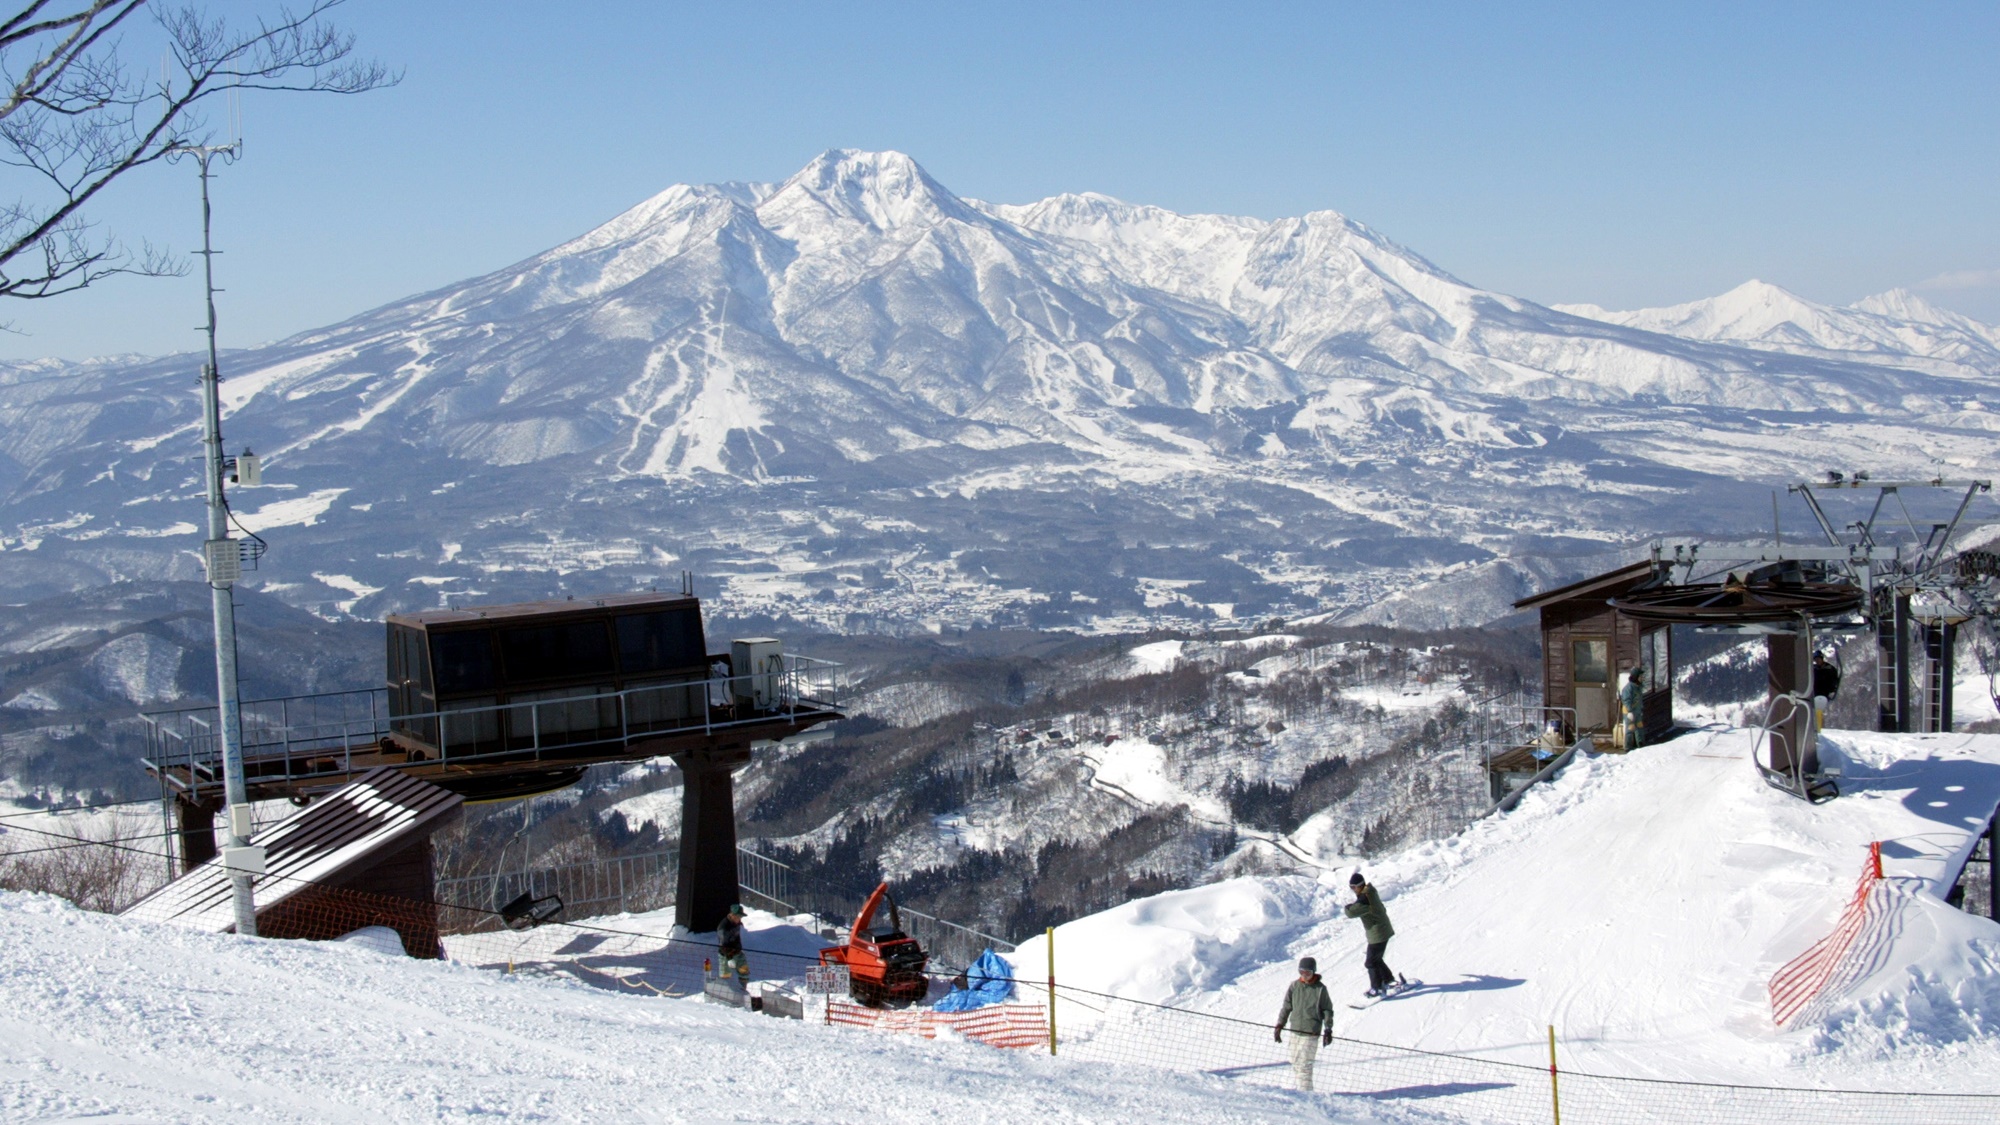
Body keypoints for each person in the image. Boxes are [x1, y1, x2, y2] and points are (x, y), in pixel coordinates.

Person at [1273, 956, 1334, 1092]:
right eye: (1301, 972)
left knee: (1304, 1066)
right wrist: (1279, 1025)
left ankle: (1306, 1095)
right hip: (1295, 1030)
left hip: (1310, 1032)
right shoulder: (1295, 986)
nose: (1304, 975)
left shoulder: (1320, 989)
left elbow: (1327, 1010)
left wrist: (1328, 1029)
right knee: (1295, 1062)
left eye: (1308, 972)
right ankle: (1302, 1092)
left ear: (1313, 972)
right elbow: (1287, 1007)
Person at [1344, 872, 1396, 996]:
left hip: (1379, 933)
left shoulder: (1365, 898)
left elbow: (1351, 913)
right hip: (1381, 930)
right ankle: (1388, 980)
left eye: (1353, 887)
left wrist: (1347, 907)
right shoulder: (1369, 892)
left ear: (1359, 886)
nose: (1352, 890)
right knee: (1376, 959)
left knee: (1371, 962)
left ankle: (1376, 988)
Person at [717, 903, 749, 983]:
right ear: (732, 915)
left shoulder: (737, 923)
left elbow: (737, 938)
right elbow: (723, 945)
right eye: (739, 916)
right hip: (726, 955)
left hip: (737, 952)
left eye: (741, 917)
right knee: (725, 977)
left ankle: (743, 990)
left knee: (744, 972)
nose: (740, 919)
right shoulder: (723, 927)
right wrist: (730, 958)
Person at [1618, 666, 1646, 751]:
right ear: (1636, 677)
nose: (1642, 678)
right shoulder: (1628, 688)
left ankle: (1641, 745)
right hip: (1629, 712)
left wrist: (1641, 708)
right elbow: (1626, 700)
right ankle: (1628, 747)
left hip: (1637, 711)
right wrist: (1630, 712)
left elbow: (1639, 699)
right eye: (1640, 676)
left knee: (1639, 727)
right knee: (1630, 728)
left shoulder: (1638, 686)